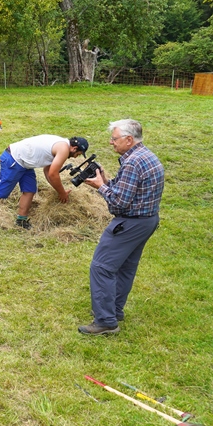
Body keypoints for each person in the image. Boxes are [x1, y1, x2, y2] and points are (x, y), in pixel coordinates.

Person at [78, 120, 164, 336]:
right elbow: (130, 188)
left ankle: (106, 321)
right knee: (125, 267)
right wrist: (107, 180)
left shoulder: (132, 162)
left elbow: (119, 203)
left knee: (102, 267)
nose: (111, 142)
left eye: (114, 139)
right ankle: (114, 310)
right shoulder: (145, 155)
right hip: (147, 220)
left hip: (129, 223)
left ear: (128, 139)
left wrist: (100, 187)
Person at [0, 134, 89, 236]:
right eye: (78, 154)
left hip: (26, 163)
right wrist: (62, 193)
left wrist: (59, 191)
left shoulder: (60, 145)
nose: (76, 157)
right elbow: (53, 174)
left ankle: (21, 220)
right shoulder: (63, 149)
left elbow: (48, 172)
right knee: (0, 192)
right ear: (74, 148)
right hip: (14, 159)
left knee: (30, 189)